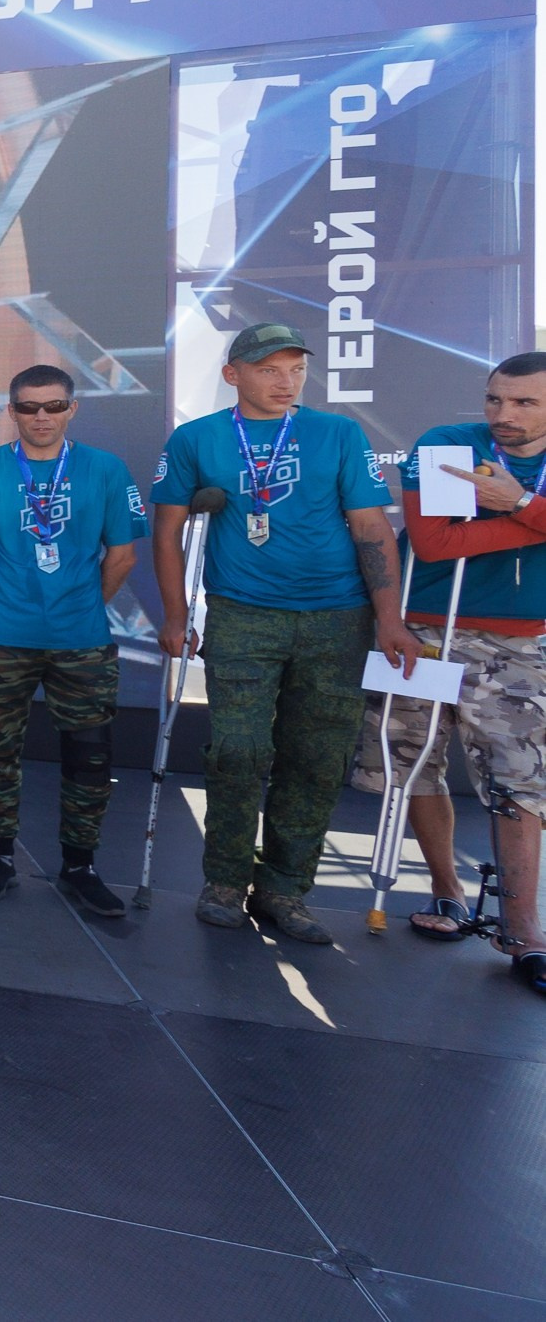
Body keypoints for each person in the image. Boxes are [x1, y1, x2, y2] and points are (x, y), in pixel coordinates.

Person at [153, 322, 417, 942]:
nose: (285, 381)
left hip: (337, 615)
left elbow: (372, 528)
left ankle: (285, 890)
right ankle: (223, 880)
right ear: (232, 374)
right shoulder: (197, 438)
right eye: (269, 368)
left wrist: (388, 618)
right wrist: (174, 614)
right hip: (243, 611)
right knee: (239, 750)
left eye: (294, 368)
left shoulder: (338, 433)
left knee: (317, 756)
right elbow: (166, 531)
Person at [367, 352, 546, 994]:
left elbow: (476, 530)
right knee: (414, 758)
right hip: (424, 627)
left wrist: (515, 500)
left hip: (521, 640)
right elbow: (437, 542)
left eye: (525, 403)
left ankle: (525, 932)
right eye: (497, 399)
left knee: (520, 779)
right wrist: (535, 521)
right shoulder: (449, 445)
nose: (504, 415)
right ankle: (447, 892)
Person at [0, 366, 149, 915]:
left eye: (53, 406)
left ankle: (80, 865)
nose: (41, 417)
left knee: (89, 756)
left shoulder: (105, 470)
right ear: (11, 411)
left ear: (71, 409)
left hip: (80, 640)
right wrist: (5, 597)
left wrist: (78, 603)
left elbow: (123, 555)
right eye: (29, 407)